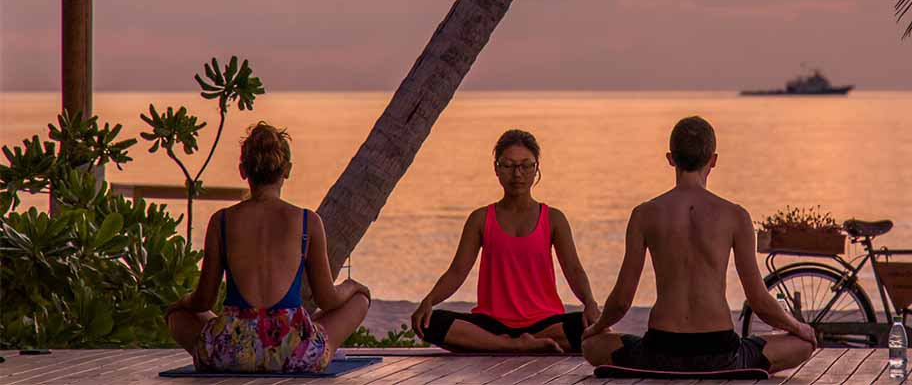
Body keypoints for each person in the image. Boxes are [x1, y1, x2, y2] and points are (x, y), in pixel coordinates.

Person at [581, 116, 817, 373]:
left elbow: (621, 301)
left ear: (671, 158)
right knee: (801, 344)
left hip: (660, 350)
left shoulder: (644, 214)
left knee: (592, 345)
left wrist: (596, 327)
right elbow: (758, 300)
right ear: (713, 160)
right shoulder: (735, 215)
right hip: (721, 352)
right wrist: (797, 327)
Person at [166, 123, 371, 373]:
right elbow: (327, 300)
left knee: (177, 317)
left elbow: (203, 301)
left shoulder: (221, 221)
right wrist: (353, 286)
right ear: (287, 170)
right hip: (294, 351)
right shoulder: (308, 221)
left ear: (243, 171)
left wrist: (181, 302)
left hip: (232, 352)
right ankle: (301, 332)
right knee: (358, 301)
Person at [411, 129, 599, 353]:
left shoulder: (553, 218)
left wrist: (590, 302)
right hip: (492, 322)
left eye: (525, 165)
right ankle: (514, 345)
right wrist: (429, 301)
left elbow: (574, 269)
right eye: (508, 165)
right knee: (432, 322)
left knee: (589, 326)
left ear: (536, 168)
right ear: (497, 169)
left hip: (545, 322)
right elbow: (457, 271)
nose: (517, 174)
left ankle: (507, 343)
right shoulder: (480, 219)